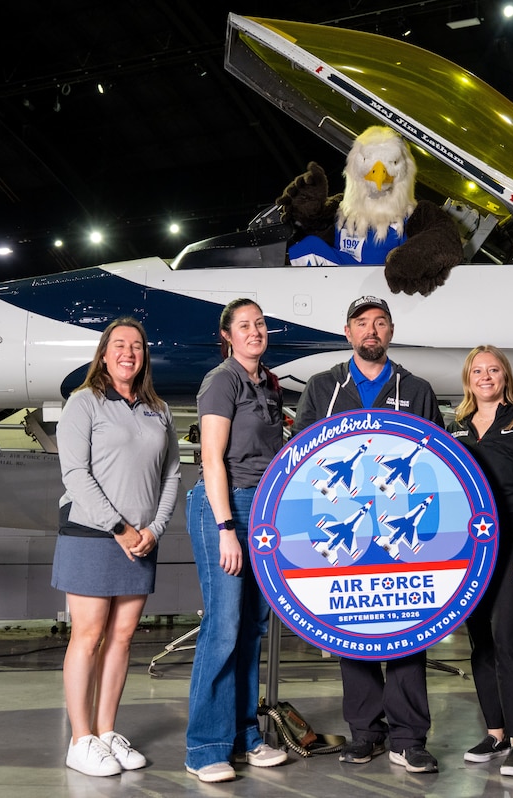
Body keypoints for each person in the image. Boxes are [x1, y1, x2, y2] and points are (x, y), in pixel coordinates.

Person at [292, 295, 444, 774]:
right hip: (344, 532)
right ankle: (365, 733)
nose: (371, 331)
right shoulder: (323, 388)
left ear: (391, 332)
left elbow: (439, 460)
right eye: (362, 323)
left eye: (380, 322)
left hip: (400, 531)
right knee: (351, 629)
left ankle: (409, 737)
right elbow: (298, 459)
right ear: (348, 332)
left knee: (407, 628)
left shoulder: (416, 389)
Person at [53, 317, 181, 777]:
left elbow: (171, 474)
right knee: (87, 636)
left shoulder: (158, 410)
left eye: (137, 346)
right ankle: (80, 739)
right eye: (120, 345)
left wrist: (155, 528)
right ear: (104, 354)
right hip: (92, 534)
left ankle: (106, 732)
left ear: (144, 357)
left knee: (122, 637)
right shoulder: (83, 402)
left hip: (142, 540)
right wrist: (118, 527)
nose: (129, 352)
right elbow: (75, 474)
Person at [184, 298, 289, 783]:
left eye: (260, 323)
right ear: (227, 335)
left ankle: (246, 736)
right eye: (244, 325)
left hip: (263, 511)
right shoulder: (221, 380)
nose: (255, 331)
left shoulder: (269, 383)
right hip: (224, 508)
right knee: (224, 627)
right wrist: (226, 528)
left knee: (251, 628)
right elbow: (211, 459)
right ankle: (205, 747)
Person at [447, 346, 513, 778]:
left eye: (493, 370)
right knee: (481, 642)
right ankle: (496, 733)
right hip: (474, 553)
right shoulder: (456, 428)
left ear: (505, 376)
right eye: (478, 371)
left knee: (507, 637)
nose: (485, 377)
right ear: (468, 379)